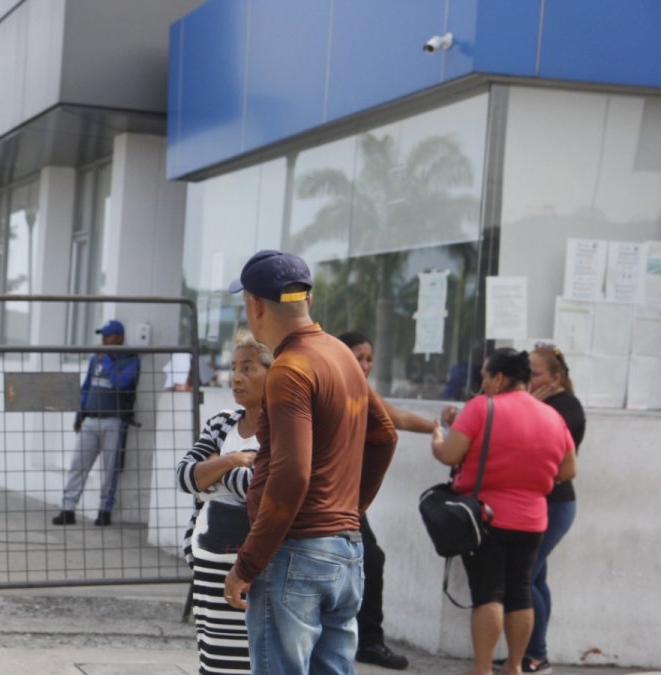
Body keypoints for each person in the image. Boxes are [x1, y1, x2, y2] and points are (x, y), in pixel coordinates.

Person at [220, 250, 398, 675]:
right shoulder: (340, 355)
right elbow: (385, 436)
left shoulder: (290, 368)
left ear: (255, 305)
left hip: (295, 553)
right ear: (309, 301)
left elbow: (291, 472)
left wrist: (248, 563)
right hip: (345, 550)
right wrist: (351, 511)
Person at [431, 348, 576, 675]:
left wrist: (437, 438)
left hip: (487, 517)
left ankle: (482, 669)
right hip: (533, 520)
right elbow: (568, 470)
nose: (482, 382)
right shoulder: (551, 415)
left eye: (484, 376)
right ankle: (514, 667)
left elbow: (449, 453)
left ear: (498, 378)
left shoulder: (482, 407)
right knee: (520, 591)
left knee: (488, 593)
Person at [337, 331, 436, 671]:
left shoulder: (363, 393)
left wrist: (438, 428)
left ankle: (368, 641)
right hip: (322, 497)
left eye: (368, 359)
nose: (364, 365)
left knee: (370, 559)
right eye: (358, 357)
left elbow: (400, 419)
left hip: (348, 500)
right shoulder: (326, 385)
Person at [176, 329, 272, 674]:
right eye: (233, 368)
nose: (236, 378)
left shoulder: (287, 428)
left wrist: (213, 474)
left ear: (273, 373)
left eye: (248, 368)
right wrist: (233, 461)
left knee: (253, 660)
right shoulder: (222, 423)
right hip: (208, 561)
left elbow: (263, 491)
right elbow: (185, 476)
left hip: (258, 568)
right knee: (213, 661)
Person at [521, 343, 585, 675]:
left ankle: (536, 655)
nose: (528, 379)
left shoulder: (566, 408)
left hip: (556, 505)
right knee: (537, 577)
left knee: (526, 576)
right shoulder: (544, 404)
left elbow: (541, 441)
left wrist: (530, 406)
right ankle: (533, 653)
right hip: (536, 503)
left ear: (555, 377)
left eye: (534, 373)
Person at [53, 319, 140, 527]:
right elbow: (86, 387)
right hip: (91, 420)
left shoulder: (130, 360)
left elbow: (121, 384)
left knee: (110, 469)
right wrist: (80, 415)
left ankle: (104, 510)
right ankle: (68, 509)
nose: (104, 340)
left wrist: (108, 361)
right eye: (103, 336)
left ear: (120, 338)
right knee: (78, 465)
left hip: (114, 421)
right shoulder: (95, 359)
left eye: (108, 336)